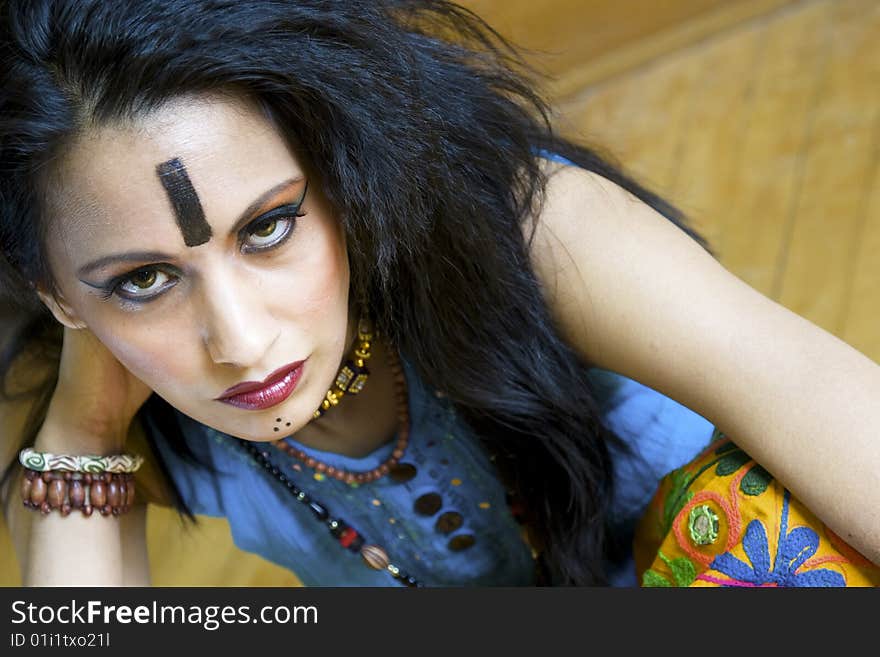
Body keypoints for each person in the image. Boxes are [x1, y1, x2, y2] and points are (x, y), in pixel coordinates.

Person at [0, 0, 877, 587]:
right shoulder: (111, 432)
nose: (240, 340)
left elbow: (821, 394)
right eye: (144, 280)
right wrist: (87, 421)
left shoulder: (538, 230)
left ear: (346, 172)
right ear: (60, 296)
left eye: (269, 227)